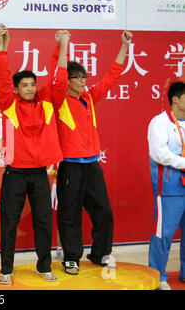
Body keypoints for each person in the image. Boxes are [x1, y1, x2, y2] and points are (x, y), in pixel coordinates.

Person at [0, 25, 69, 284]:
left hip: (39, 175)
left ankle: (44, 265)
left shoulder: (47, 102)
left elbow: (59, 77)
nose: (30, 88)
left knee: (44, 222)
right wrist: (2, 45)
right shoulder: (9, 104)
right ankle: (6, 270)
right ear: (16, 88)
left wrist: (62, 46)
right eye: (24, 85)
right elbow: (1, 78)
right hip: (14, 174)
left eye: (33, 84)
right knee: (9, 223)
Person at [53, 30, 133, 275]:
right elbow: (57, 73)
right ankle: (71, 257)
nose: (83, 80)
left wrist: (124, 46)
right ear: (68, 80)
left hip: (92, 166)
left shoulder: (89, 98)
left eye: (84, 76)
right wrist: (63, 45)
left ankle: (99, 253)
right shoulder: (59, 100)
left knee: (103, 211)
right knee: (70, 213)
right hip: (70, 166)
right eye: (77, 77)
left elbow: (112, 76)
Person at [147, 81, 185, 290]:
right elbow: (159, 153)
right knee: (164, 234)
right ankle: (158, 275)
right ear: (175, 99)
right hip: (169, 188)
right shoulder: (159, 122)